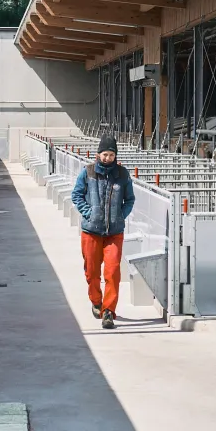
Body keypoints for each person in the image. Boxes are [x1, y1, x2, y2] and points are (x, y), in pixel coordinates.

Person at [71, 134, 135, 329]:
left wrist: (120, 215)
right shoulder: (88, 172)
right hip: (91, 231)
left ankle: (108, 311)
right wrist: (89, 213)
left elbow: (130, 199)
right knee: (91, 272)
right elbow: (77, 195)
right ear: (98, 154)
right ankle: (96, 300)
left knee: (113, 271)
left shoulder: (122, 175)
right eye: (105, 154)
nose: (108, 158)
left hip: (114, 232)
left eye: (111, 154)